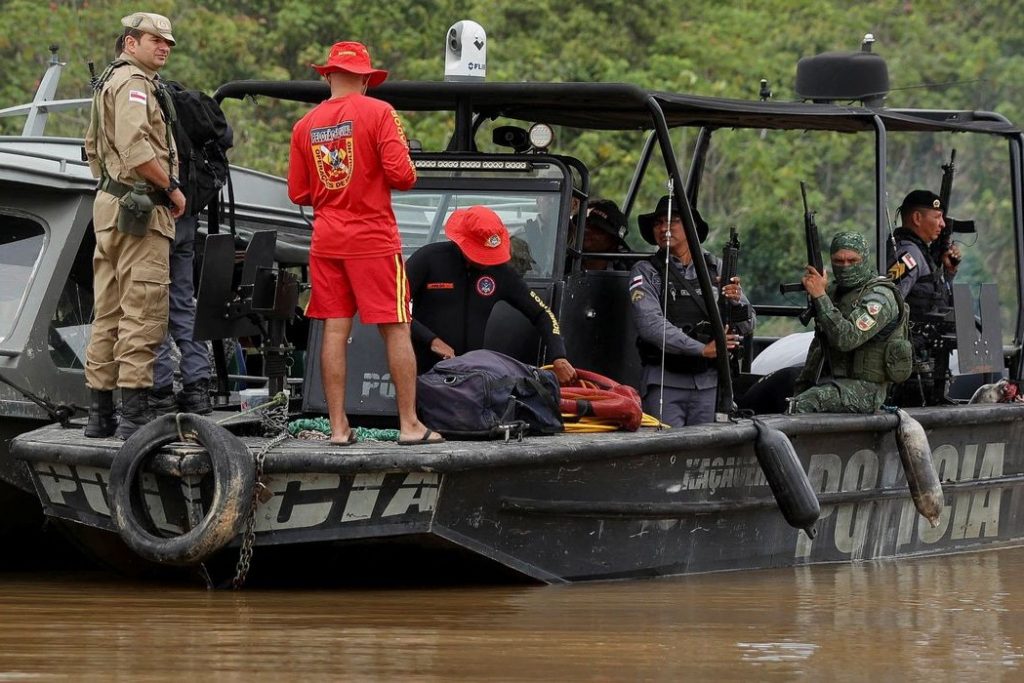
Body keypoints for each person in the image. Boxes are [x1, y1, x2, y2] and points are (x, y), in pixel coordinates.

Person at [287, 41, 441, 446]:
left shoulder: (304, 126)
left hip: (326, 241)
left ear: (327, 76)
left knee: (335, 331)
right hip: (373, 239)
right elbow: (403, 175)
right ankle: (409, 425)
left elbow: (299, 192)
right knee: (397, 327)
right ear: (367, 80)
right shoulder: (380, 112)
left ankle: (338, 429)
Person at [83, 12, 187, 439]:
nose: (164, 47)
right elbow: (135, 147)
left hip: (111, 205)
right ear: (130, 43)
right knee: (143, 309)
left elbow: (93, 149)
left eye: (168, 43)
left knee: (108, 311)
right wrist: (172, 188)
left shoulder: (111, 80)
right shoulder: (134, 84)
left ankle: (100, 414)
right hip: (139, 208)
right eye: (154, 40)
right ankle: (134, 418)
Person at [405, 205, 578, 384]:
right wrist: (432, 341)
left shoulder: (500, 272)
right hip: (421, 373)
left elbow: (542, 313)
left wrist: (558, 355)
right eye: (480, 253)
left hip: (469, 377)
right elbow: (393, 305)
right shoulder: (429, 259)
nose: (485, 261)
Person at [628, 195, 754, 427]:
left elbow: (748, 325)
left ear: (691, 227)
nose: (663, 228)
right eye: (658, 223)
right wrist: (701, 349)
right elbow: (650, 325)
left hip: (709, 384)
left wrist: (735, 302)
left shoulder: (716, 267)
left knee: (706, 448)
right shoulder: (647, 271)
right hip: (665, 382)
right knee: (665, 446)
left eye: (672, 221)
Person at [790, 232, 910, 414]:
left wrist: (820, 296)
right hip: (832, 380)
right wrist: (802, 384)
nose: (845, 266)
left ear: (864, 259)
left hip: (866, 390)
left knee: (805, 403)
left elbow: (846, 339)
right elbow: (819, 344)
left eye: (852, 260)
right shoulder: (834, 292)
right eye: (838, 261)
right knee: (780, 391)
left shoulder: (880, 297)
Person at [886, 189, 960, 406]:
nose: (942, 224)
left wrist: (948, 273)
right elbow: (889, 301)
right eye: (937, 217)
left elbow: (932, 297)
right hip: (910, 368)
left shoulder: (921, 253)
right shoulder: (908, 255)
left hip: (926, 360)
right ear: (917, 218)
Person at [151, 213, 212, 415]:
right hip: (187, 220)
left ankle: (160, 391)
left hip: (157, 217)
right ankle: (197, 389)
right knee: (183, 304)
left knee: (152, 305)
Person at [569, 198, 631, 272]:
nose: (586, 229)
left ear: (614, 241)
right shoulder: (562, 262)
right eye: (586, 223)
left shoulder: (627, 271)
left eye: (597, 228)